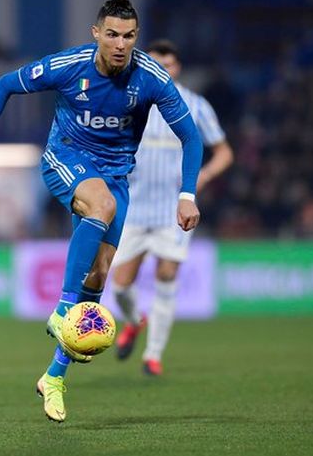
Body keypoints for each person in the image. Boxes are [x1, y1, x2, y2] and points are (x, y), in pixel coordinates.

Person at [0, 0, 203, 422]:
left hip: (115, 176)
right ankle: (63, 310)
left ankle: (53, 377)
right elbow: (4, 85)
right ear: (96, 34)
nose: (121, 44)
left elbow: (192, 137)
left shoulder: (152, 78)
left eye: (128, 36)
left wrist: (187, 194)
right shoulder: (70, 66)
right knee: (100, 207)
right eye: (112, 34)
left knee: (100, 275)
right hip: (65, 157)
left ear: (136, 36)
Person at [111, 40, 234, 376]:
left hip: (172, 211)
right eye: (156, 63)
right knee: (120, 284)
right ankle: (136, 320)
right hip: (133, 207)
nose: (163, 69)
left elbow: (224, 151)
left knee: (167, 275)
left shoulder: (195, 106)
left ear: (178, 68)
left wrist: (202, 178)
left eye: (169, 64)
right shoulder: (130, 101)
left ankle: (153, 355)